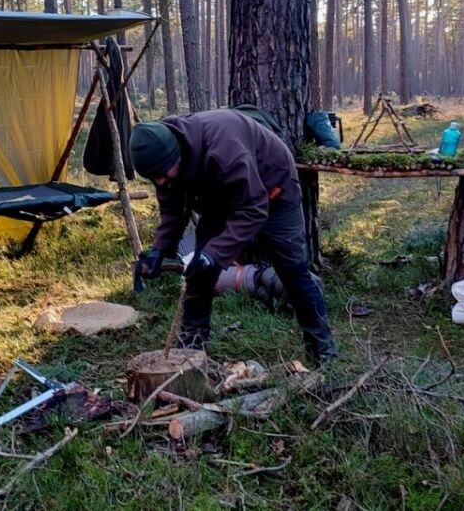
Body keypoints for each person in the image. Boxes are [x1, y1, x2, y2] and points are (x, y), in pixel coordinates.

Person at [130, 109, 337, 363]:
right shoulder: (161, 154)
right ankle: (190, 352)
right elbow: (172, 207)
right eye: (154, 178)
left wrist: (213, 254)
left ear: (179, 155)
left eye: (163, 174)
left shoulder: (224, 149)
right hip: (220, 197)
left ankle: (322, 350)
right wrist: (161, 250)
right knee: (199, 274)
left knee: (292, 270)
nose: (160, 181)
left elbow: (254, 208)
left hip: (273, 190)